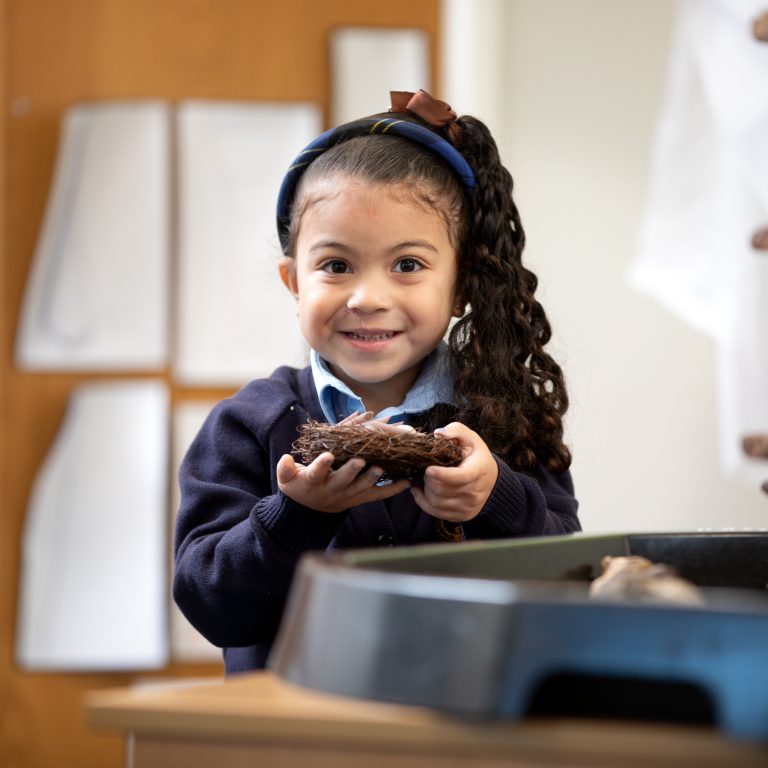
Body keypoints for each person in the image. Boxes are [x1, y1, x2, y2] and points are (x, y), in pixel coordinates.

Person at [173, 90, 581, 674]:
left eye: (408, 265)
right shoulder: (246, 424)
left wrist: (495, 499)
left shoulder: (507, 416)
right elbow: (213, 607)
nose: (368, 298)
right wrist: (297, 515)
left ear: (461, 283)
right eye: (336, 266)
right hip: (301, 741)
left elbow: (569, 582)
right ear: (294, 282)